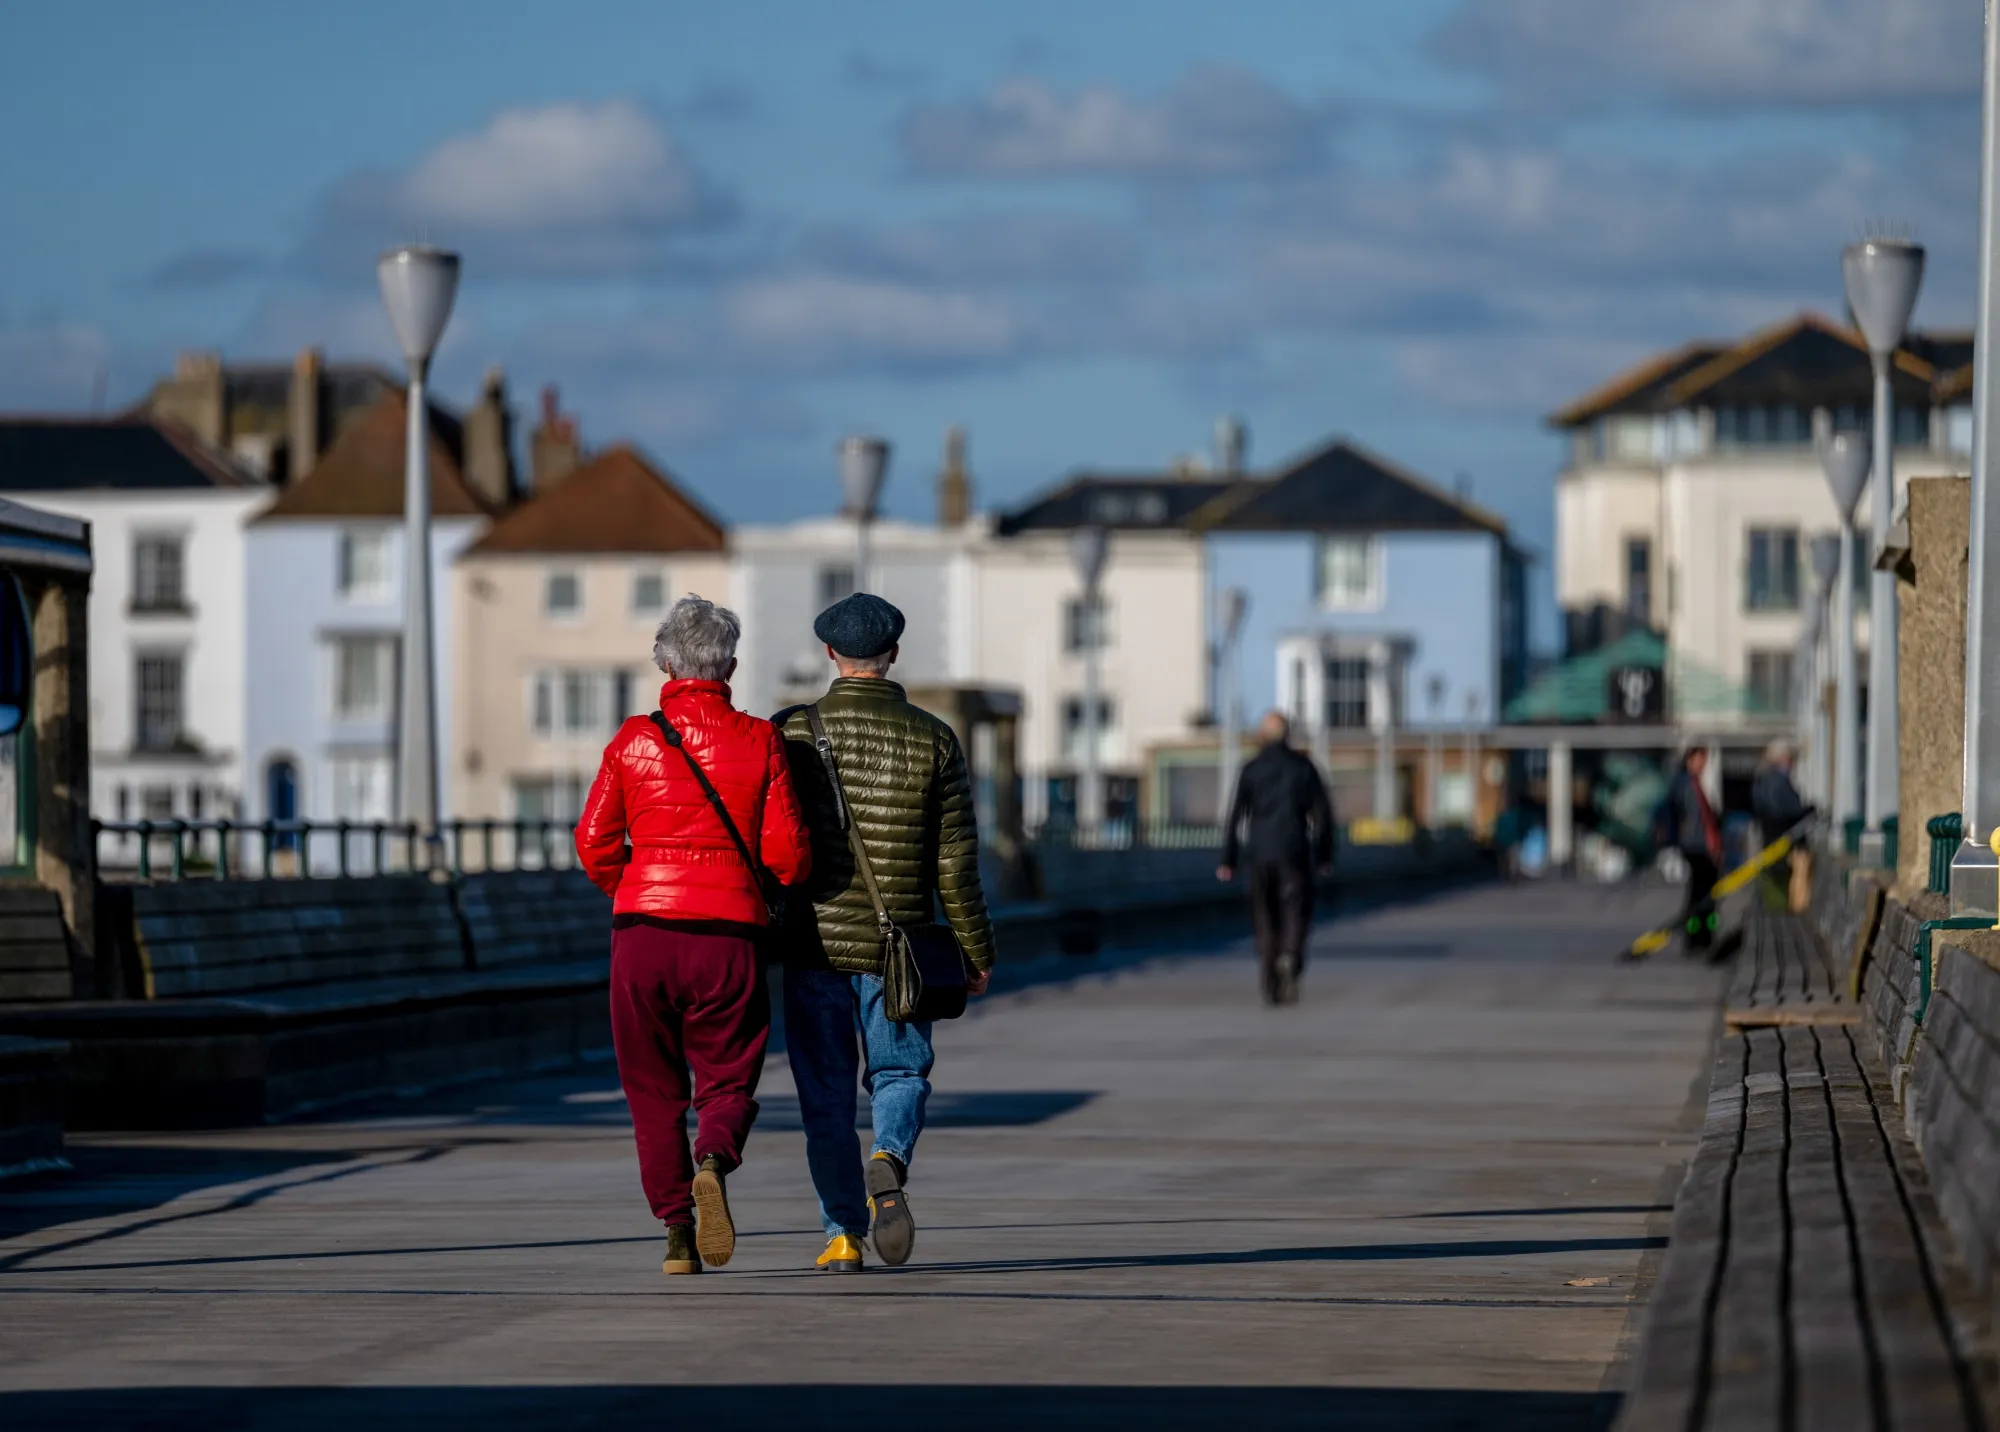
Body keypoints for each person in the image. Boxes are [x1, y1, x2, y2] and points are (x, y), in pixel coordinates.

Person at [575, 595, 812, 1277]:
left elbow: (594, 842)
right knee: (728, 1075)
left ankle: (678, 1235)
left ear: (663, 662)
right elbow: (789, 854)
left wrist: (634, 886)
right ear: (730, 665)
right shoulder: (761, 739)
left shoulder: (633, 741)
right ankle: (714, 1156)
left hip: (643, 935)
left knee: (651, 1091)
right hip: (729, 936)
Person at [775, 593, 996, 1273]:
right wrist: (976, 952)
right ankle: (888, 1157)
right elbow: (956, 860)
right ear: (893, 654)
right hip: (902, 946)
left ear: (829, 656)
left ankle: (842, 1234)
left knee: (826, 1092)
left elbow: (771, 840)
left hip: (813, 944)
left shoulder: (789, 732)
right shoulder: (934, 737)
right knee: (900, 1070)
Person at [1216, 711, 1336, 1005]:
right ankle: (1290, 955)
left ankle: (1269, 977)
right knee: (1295, 909)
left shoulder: (1251, 769)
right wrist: (1324, 855)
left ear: (1263, 735)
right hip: (1294, 850)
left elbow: (1235, 817)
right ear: (1288, 736)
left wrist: (1228, 859)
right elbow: (1322, 815)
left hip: (1259, 852)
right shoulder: (1304, 768)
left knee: (1264, 914)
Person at [1665, 747, 1724, 952]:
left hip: (1699, 845)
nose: (1703, 765)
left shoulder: (1693, 783)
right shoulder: (1687, 784)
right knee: (1702, 894)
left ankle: (1701, 935)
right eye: (1700, 760)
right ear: (1690, 760)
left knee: (1703, 893)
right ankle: (1697, 936)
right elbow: (1695, 818)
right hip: (1696, 846)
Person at [1751, 740, 1812, 910]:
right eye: (1790, 758)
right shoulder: (1778, 781)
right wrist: (1809, 810)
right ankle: (1795, 910)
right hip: (1785, 843)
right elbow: (1788, 810)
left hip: (1772, 842)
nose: (1792, 762)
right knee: (1796, 877)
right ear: (1783, 758)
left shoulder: (1763, 779)